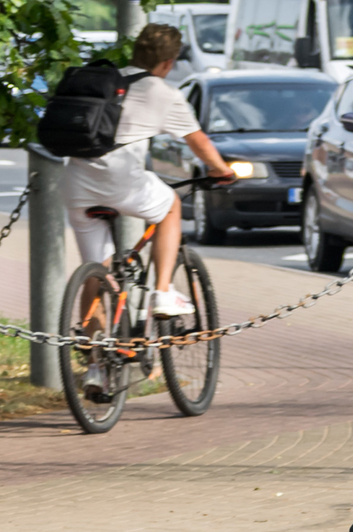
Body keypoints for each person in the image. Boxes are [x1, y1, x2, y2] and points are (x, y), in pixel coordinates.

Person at [61, 22, 230, 316]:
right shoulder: (163, 93)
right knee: (170, 207)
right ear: (169, 62)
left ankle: (96, 360)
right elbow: (198, 141)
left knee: (96, 271)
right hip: (120, 182)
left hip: (77, 183)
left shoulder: (108, 81)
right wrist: (222, 170)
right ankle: (163, 292)